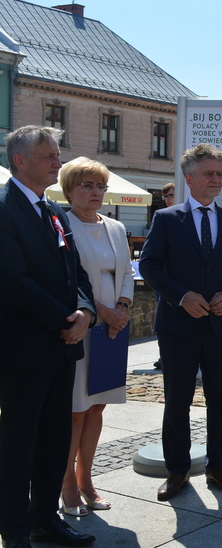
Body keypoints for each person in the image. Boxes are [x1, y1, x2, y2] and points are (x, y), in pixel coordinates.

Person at [0, 126, 97, 548]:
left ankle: (45, 519)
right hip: (23, 351)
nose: (58, 163)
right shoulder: (4, 208)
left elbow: (75, 271)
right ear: (19, 160)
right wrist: (65, 320)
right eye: (49, 156)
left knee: (55, 440)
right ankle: (15, 535)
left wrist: (85, 312)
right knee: (18, 447)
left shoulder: (53, 209)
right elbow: (12, 280)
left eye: (58, 155)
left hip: (61, 347)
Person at [140, 143, 222, 502]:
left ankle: (218, 467)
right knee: (177, 401)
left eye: (219, 174)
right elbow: (149, 265)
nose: (216, 179)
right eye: (209, 174)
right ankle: (177, 470)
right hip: (178, 326)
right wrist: (181, 296)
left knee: (220, 400)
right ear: (189, 179)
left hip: (221, 326)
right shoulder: (166, 219)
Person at [59, 158, 134, 517]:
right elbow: (66, 279)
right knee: (76, 411)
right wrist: (101, 310)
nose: (95, 192)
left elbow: (127, 273)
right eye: (87, 185)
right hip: (82, 328)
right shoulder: (62, 225)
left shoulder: (116, 227)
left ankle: (86, 480)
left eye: (100, 186)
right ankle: (66, 485)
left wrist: (121, 308)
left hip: (112, 330)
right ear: (69, 189)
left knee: (98, 407)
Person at [152, 182, 176, 371]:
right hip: (164, 280)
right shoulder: (161, 217)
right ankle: (164, 356)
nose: (168, 199)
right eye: (166, 196)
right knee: (164, 320)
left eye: (171, 195)